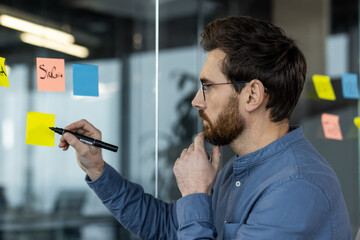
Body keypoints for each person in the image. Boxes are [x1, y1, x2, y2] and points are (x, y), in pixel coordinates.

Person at [58, 16, 352, 239]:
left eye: (208, 87)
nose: (196, 101)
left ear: (252, 95)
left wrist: (197, 193)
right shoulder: (239, 171)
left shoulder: (296, 187)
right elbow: (165, 226)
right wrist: (96, 168)